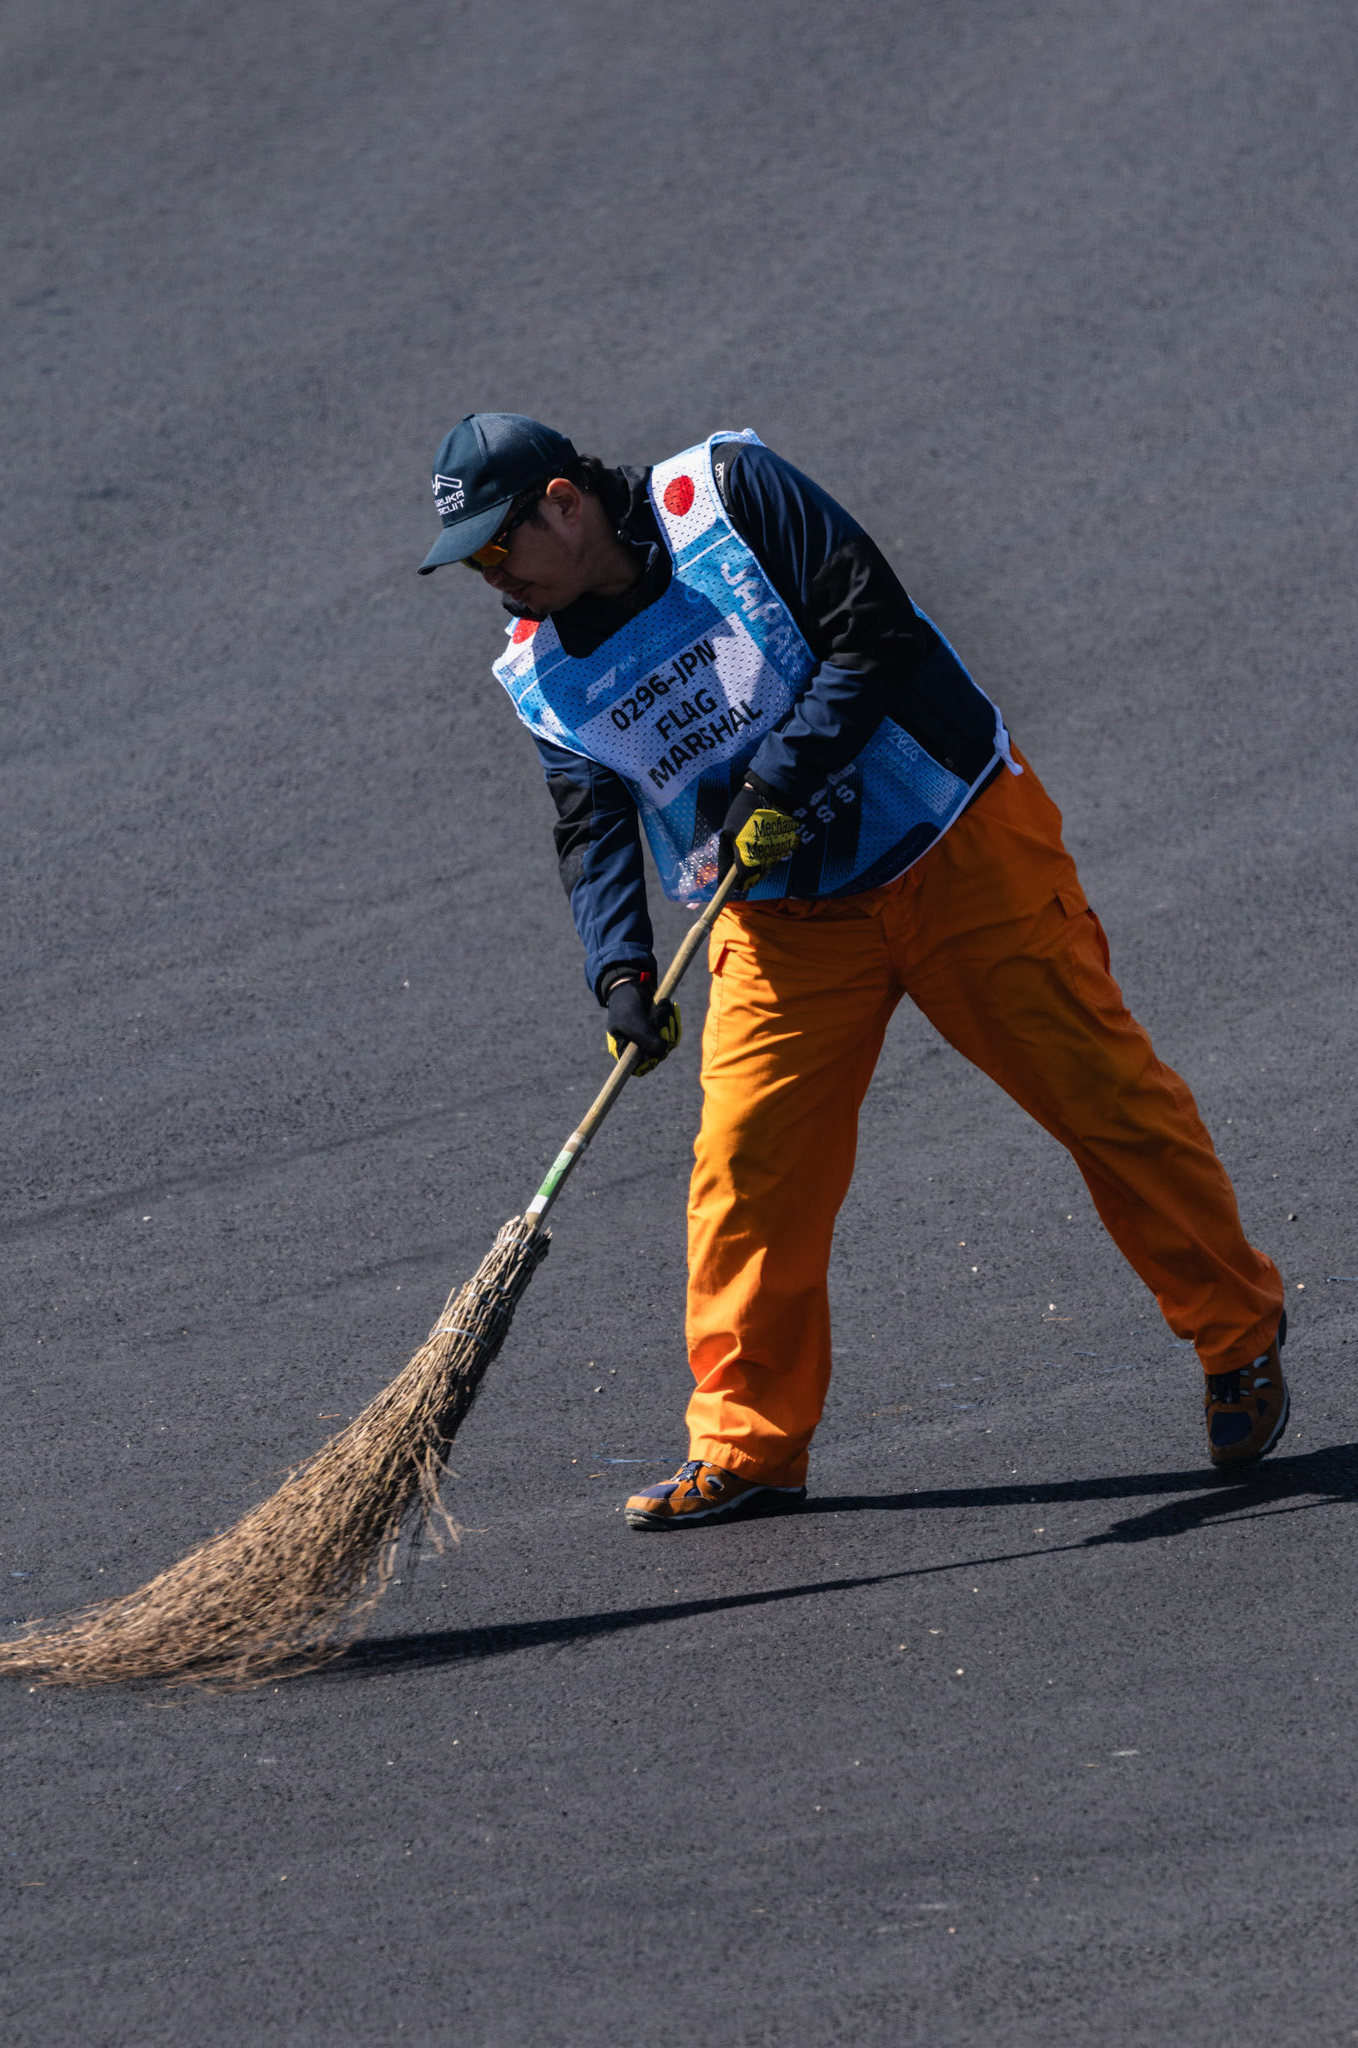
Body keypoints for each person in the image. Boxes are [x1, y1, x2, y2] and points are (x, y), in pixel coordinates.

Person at [419, 413, 1289, 1529]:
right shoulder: (538, 672)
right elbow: (589, 827)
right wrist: (621, 974)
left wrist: (775, 783)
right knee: (746, 1168)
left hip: (954, 843)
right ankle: (747, 1442)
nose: (495, 579)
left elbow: (870, 627)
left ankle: (1237, 1331)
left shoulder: (731, 498)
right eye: (476, 564)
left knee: (1103, 1097)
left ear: (564, 502)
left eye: (502, 547)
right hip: (784, 926)